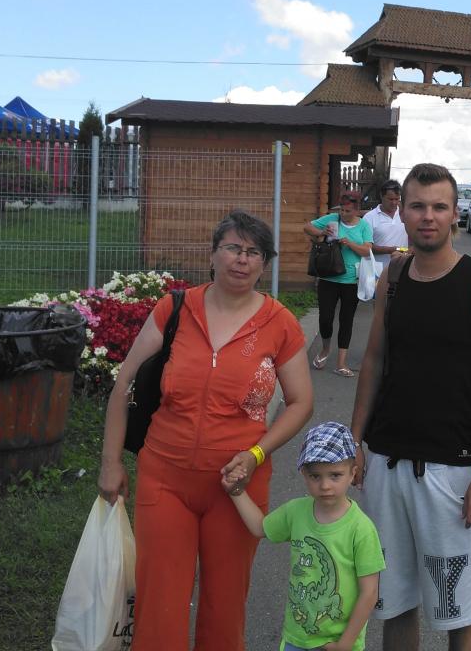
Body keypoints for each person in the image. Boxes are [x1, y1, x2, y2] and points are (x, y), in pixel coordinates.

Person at [98, 210, 314, 651]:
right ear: (212, 255)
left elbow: (301, 403)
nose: (242, 259)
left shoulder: (280, 323)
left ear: (264, 264)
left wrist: (256, 454)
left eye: (254, 252)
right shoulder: (176, 309)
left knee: (225, 607)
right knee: (160, 603)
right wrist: (110, 462)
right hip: (165, 478)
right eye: (232, 248)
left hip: (237, 487)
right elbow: (125, 383)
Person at [349, 162, 471, 651]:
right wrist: (354, 441)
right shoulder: (394, 277)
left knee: (459, 610)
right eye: (418, 206)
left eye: (439, 207)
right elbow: (374, 362)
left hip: (449, 471)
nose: (428, 216)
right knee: (393, 605)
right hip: (385, 461)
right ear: (401, 211)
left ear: (455, 214)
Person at [226, 422, 384, 651]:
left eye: (335, 475)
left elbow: (369, 592)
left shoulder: (362, 529)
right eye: (315, 476)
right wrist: (236, 491)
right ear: (304, 474)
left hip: (339, 642)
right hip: (297, 638)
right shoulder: (296, 511)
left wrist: (345, 644)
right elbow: (260, 527)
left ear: (353, 473)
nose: (325, 485)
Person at [303, 191, 374, 377]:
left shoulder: (364, 226)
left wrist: (349, 243)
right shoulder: (332, 219)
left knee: (346, 320)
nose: (343, 213)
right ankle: (325, 349)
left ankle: (341, 363)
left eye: (348, 211)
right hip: (328, 277)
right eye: (341, 209)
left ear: (357, 210)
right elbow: (307, 227)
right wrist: (322, 232)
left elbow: (367, 251)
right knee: (325, 319)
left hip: (351, 280)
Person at [363, 179, 409, 270]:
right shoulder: (369, 218)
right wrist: (391, 250)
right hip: (378, 270)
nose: (394, 203)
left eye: (397, 199)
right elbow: (366, 247)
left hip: (402, 268)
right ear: (381, 196)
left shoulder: (405, 213)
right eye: (390, 199)